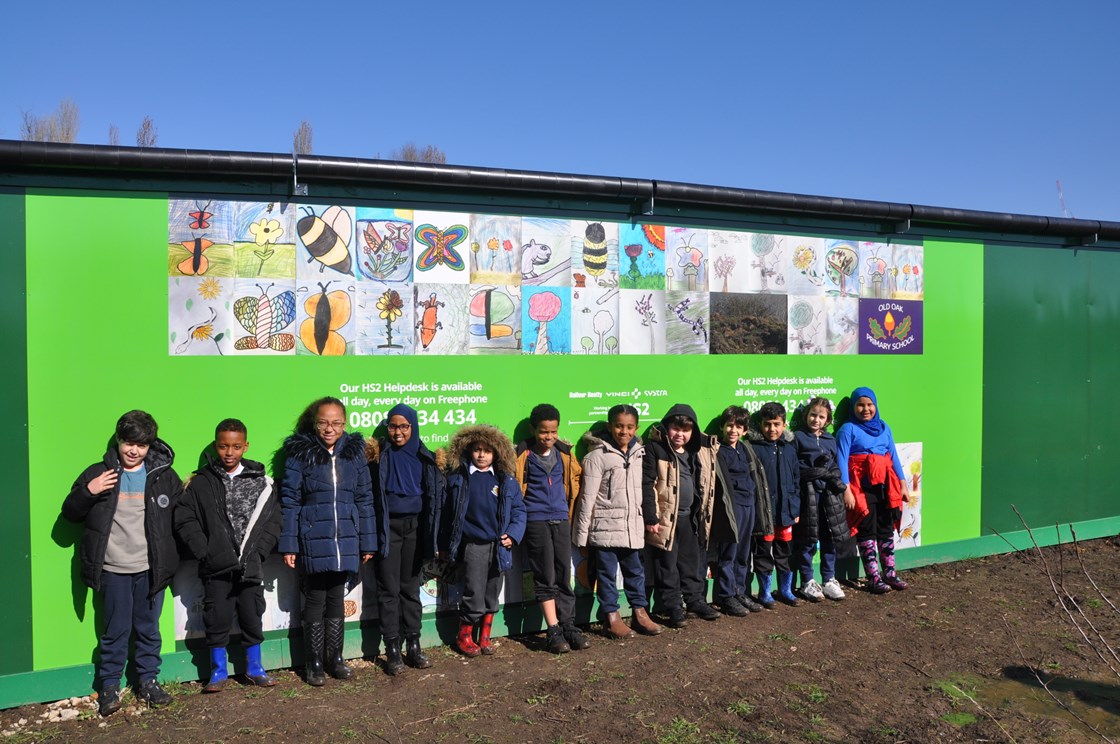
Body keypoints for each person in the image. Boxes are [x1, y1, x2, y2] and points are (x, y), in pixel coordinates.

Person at [62, 410, 182, 716]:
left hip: (150, 569)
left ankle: (148, 682)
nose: (133, 450)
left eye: (141, 445)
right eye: (128, 442)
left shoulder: (163, 476)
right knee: (114, 630)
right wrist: (89, 491)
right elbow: (70, 513)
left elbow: (181, 515)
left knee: (148, 629)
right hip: (114, 569)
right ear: (118, 440)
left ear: (150, 446)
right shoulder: (98, 473)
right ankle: (110, 686)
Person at [174, 418, 282, 692]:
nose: (229, 453)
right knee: (216, 618)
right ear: (216, 446)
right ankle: (218, 672)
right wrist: (204, 550)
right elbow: (185, 518)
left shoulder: (262, 482)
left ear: (246, 446)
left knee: (251, 615)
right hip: (216, 567)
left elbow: (273, 521)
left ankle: (255, 668)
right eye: (223, 447)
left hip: (250, 566)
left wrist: (258, 552)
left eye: (235, 446)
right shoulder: (201, 483)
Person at [280, 397, 375, 686]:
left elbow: (364, 498)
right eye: (323, 422)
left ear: (344, 424)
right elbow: (290, 500)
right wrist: (289, 543)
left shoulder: (355, 453)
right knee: (315, 596)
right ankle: (314, 662)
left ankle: (335, 658)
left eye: (335, 423)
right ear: (314, 423)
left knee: (337, 595)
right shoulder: (300, 453)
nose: (329, 428)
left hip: (346, 535)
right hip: (312, 535)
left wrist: (368, 541)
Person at [572, 404, 662, 639]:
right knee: (607, 575)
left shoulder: (640, 454)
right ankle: (611, 617)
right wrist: (582, 536)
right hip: (605, 530)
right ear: (610, 426)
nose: (624, 432)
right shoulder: (596, 457)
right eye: (619, 426)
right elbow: (587, 499)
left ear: (636, 428)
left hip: (632, 528)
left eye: (630, 427)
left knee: (635, 572)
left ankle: (640, 613)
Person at [369, 403, 444, 675]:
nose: (398, 432)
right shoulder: (380, 456)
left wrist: (433, 537)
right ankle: (391, 650)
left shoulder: (426, 457)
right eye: (393, 426)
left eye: (403, 426)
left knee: (410, 589)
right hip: (388, 529)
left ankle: (413, 645)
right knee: (388, 589)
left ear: (413, 426)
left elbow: (434, 500)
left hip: (415, 528)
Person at [441, 425, 527, 657]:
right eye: (477, 449)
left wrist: (513, 534)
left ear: (496, 453)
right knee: (473, 592)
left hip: (498, 546)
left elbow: (519, 510)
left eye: (487, 451)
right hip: (473, 546)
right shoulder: (458, 479)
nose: (481, 455)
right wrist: (443, 544)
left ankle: (485, 635)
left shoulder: (505, 480)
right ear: (469, 451)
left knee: (492, 591)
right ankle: (464, 636)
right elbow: (446, 513)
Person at [514, 404, 589, 654]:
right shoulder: (522, 456)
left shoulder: (565, 454)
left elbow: (575, 480)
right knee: (544, 575)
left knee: (563, 574)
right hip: (534, 521)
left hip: (561, 519)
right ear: (533, 430)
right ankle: (553, 629)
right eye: (544, 432)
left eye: (553, 431)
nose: (549, 437)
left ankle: (569, 625)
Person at [642, 404, 725, 626]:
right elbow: (647, 485)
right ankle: (673, 607)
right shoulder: (655, 449)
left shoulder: (694, 452)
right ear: (666, 427)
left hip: (690, 517)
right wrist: (651, 517)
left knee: (691, 562)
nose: (680, 434)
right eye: (675, 428)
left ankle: (696, 600)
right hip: (666, 520)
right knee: (666, 565)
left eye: (686, 430)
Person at [836, 387, 911, 594]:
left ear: (876, 406)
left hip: (886, 486)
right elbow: (841, 460)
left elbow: (893, 456)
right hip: (862, 487)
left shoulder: (884, 427)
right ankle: (874, 577)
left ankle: (890, 573)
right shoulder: (847, 429)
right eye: (860, 405)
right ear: (853, 407)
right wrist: (846, 490)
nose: (866, 409)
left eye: (870, 405)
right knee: (867, 529)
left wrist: (903, 484)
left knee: (886, 528)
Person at [791, 399, 851, 602]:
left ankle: (829, 579)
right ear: (806, 415)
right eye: (813, 415)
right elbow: (794, 467)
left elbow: (835, 465)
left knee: (829, 537)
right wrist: (811, 472)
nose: (816, 419)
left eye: (821, 416)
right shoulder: (798, 437)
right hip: (808, 494)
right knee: (808, 539)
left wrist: (832, 475)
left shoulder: (830, 439)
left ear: (827, 420)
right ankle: (807, 580)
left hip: (829, 495)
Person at [712, 406, 767, 616]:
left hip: (749, 505)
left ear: (745, 430)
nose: (733, 430)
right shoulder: (719, 451)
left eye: (738, 426)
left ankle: (739, 591)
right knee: (729, 553)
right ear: (722, 427)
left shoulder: (745, 449)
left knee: (743, 552)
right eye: (729, 425)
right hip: (732, 508)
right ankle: (726, 596)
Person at [748, 402, 801, 608]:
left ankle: (785, 590)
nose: (772, 429)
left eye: (777, 424)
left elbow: (796, 480)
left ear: (784, 424)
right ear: (760, 425)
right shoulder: (754, 448)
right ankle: (764, 592)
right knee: (763, 552)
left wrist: (794, 508)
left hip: (786, 512)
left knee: (784, 552)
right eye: (767, 424)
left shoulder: (789, 448)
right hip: (764, 515)